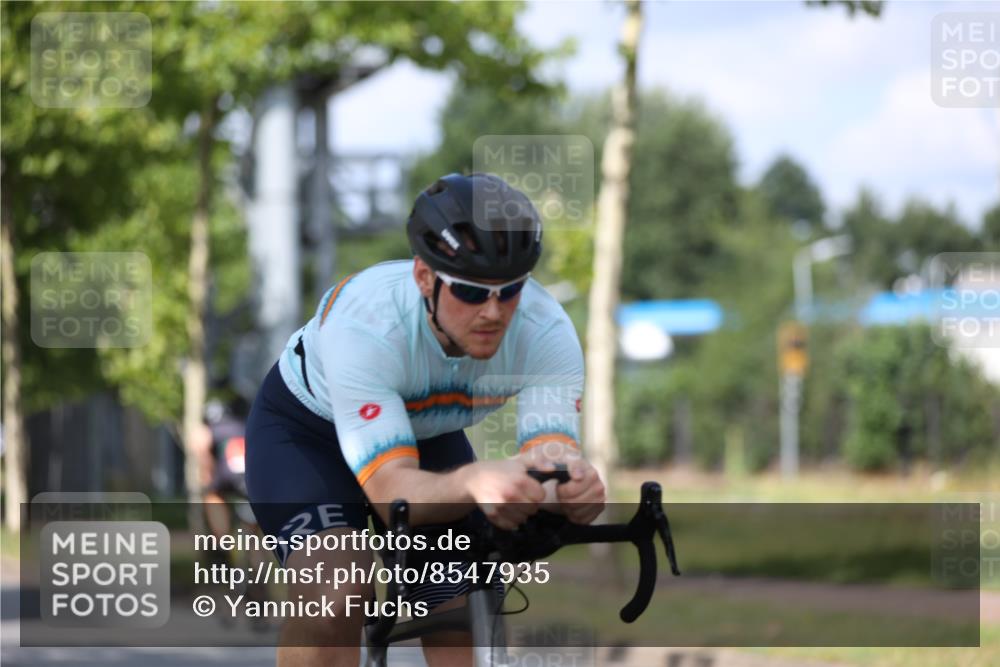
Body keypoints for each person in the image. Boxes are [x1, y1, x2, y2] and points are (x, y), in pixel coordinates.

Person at [245, 172, 605, 667]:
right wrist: (478, 479)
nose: (494, 313)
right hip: (307, 435)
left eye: (511, 290)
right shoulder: (367, 325)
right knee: (337, 591)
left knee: (458, 606)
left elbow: (549, 457)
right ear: (424, 278)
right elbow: (394, 492)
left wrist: (568, 488)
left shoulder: (545, 331)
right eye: (472, 293)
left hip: (427, 439)